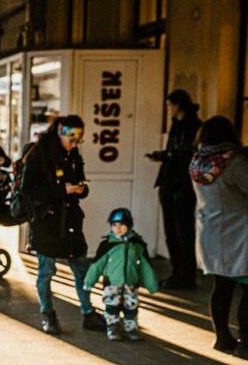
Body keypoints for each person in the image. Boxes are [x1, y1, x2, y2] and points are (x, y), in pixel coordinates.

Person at [20, 115, 106, 335]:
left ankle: (88, 313)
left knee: (81, 268)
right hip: (46, 222)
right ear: (60, 130)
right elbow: (28, 191)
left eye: (78, 140)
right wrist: (62, 190)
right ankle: (48, 315)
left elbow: (81, 181)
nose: (75, 144)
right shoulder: (38, 153)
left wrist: (81, 188)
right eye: (72, 138)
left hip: (70, 221)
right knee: (46, 271)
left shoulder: (73, 154)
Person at [189, 116, 248, 357]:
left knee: (221, 286)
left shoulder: (197, 162)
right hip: (239, 232)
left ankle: (222, 337)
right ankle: (246, 344)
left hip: (210, 230)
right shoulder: (234, 163)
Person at [148, 90, 201, 290]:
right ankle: (178, 272)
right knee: (174, 231)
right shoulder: (179, 125)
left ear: (177, 105)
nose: (168, 109)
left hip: (181, 184)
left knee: (182, 231)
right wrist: (164, 156)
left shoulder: (192, 126)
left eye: (169, 105)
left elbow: (186, 155)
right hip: (172, 182)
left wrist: (167, 157)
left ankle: (184, 274)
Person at [84, 208, 159, 342]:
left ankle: (131, 328)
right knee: (112, 306)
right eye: (114, 225)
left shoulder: (137, 245)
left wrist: (152, 284)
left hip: (131, 284)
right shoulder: (108, 245)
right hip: (112, 285)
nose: (118, 229)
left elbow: (145, 266)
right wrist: (89, 281)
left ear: (129, 225)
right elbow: (97, 265)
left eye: (122, 225)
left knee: (131, 307)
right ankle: (112, 327)